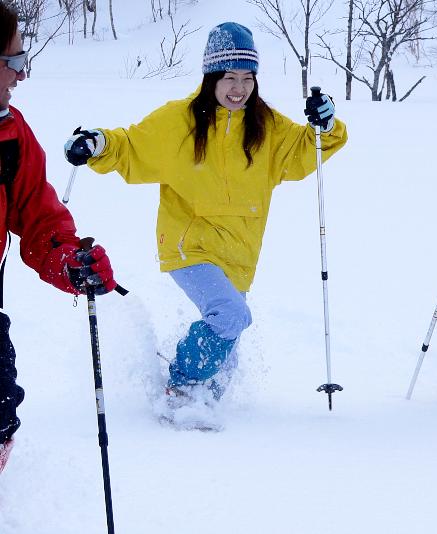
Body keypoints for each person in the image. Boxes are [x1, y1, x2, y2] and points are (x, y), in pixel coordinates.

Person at [64, 21, 347, 402]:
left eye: (248, 77)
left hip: (240, 253)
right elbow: (130, 146)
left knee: (226, 348)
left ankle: (205, 415)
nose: (238, 88)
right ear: (211, 76)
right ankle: (180, 388)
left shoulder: (267, 127)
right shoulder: (178, 121)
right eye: (229, 76)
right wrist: (97, 143)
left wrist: (326, 124)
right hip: (189, 245)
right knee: (231, 317)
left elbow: (308, 148)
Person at [0, 1, 117, 471]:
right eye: (13, 63)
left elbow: (38, 216)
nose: (20, 76)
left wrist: (69, 260)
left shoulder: (10, 133)